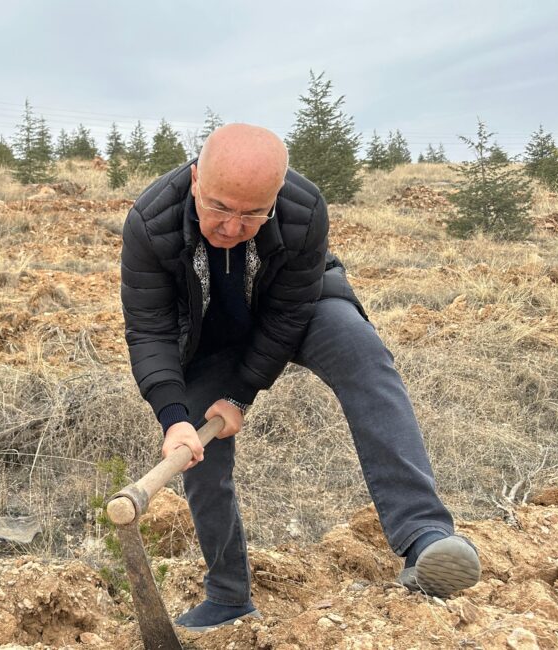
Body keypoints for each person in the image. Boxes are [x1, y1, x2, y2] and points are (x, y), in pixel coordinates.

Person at [119, 124, 480, 631]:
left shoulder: (303, 208)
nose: (230, 227)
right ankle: (228, 595)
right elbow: (149, 330)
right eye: (219, 208)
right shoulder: (150, 222)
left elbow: (288, 315)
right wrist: (174, 417)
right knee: (201, 453)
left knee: (363, 355)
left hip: (301, 310)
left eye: (251, 215)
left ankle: (425, 535)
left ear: (276, 196)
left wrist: (241, 394)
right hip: (204, 337)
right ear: (196, 179)